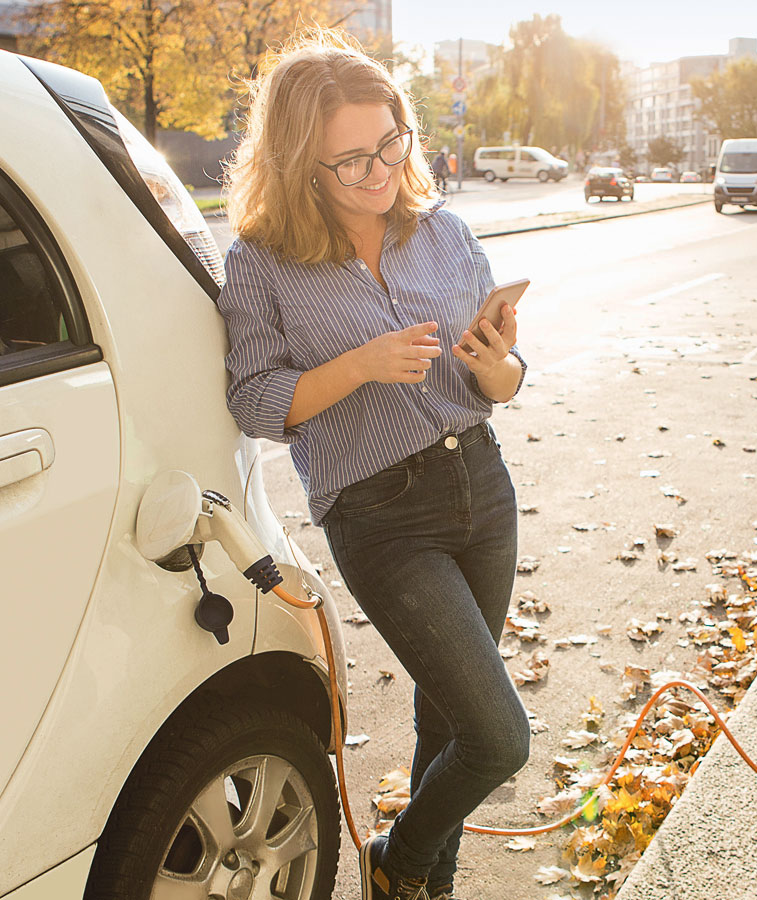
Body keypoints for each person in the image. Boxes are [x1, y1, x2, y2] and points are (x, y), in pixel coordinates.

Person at [216, 29, 530, 900]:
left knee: (452, 723)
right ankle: (397, 858)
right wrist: (358, 364)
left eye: (391, 144)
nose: (379, 170)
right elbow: (252, 402)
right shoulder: (260, 265)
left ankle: (422, 887)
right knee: (500, 737)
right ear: (298, 165)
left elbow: (505, 382)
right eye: (351, 160)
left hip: (482, 485)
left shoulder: (446, 233)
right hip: (380, 514)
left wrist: (492, 363)